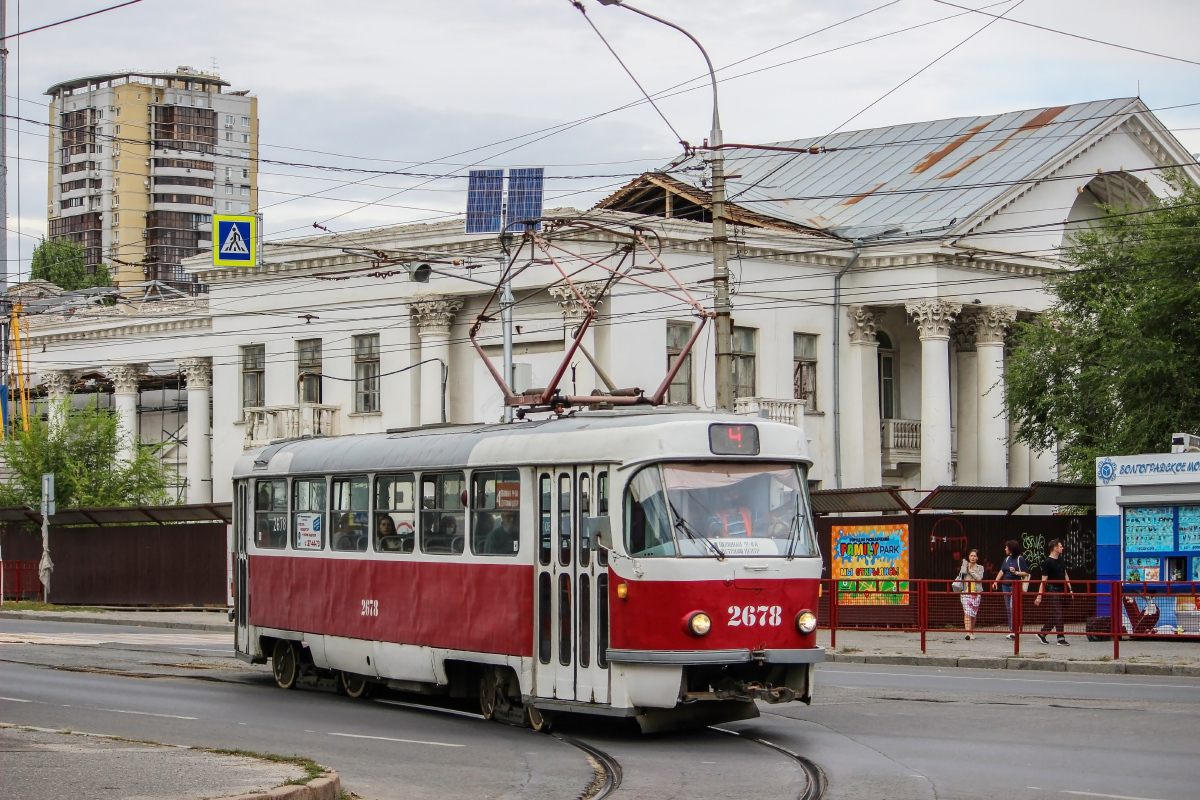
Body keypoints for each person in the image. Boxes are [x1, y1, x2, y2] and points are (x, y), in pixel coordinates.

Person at [1035, 538, 1073, 645]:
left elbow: (1065, 574)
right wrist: (1039, 595)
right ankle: (1060, 638)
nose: (1062, 548)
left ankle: (1042, 633)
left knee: (1057, 613)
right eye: (1061, 546)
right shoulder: (1047, 562)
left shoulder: (1061, 559)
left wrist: (1070, 589)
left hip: (1062, 589)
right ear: (1055, 548)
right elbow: (1043, 580)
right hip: (1052, 590)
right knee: (1058, 613)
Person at [993, 540, 1031, 640]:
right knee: (1009, 609)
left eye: (1006, 547)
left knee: (1013, 607)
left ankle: (1015, 630)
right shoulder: (1006, 559)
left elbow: (1026, 572)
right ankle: (1011, 630)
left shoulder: (1020, 559)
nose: (1005, 549)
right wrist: (996, 581)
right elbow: (1002, 571)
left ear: (1011, 548)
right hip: (1005, 585)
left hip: (1015, 586)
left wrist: (1016, 573)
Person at [958, 549, 986, 640]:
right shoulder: (965, 565)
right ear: (968, 557)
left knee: (973, 614)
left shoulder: (980, 567)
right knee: (967, 613)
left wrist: (971, 570)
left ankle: (972, 631)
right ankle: (968, 633)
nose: (973, 557)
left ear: (977, 558)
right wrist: (964, 565)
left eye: (974, 556)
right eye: (971, 556)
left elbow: (979, 578)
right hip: (966, 592)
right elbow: (962, 573)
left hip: (976, 593)